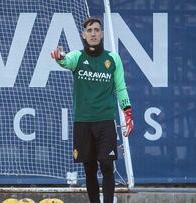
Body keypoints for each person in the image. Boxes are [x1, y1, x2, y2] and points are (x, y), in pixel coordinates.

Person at [51, 16, 133, 203]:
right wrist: (59, 56)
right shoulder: (77, 57)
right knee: (89, 167)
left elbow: (120, 88)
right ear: (83, 34)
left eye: (96, 30)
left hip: (105, 121)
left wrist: (127, 112)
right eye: (89, 30)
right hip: (83, 121)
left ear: (102, 33)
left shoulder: (113, 59)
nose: (93, 33)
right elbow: (65, 60)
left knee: (106, 164)